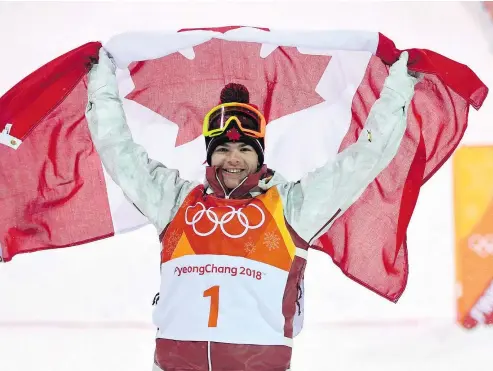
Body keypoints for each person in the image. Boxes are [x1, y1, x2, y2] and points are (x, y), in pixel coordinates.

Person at [85, 47, 417, 371]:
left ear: (259, 156)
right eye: (223, 149)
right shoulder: (175, 203)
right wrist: (101, 88)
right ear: (209, 155)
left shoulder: (292, 207)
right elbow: (119, 152)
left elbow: (363, 160)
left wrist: (395, 94)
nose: (233, 158)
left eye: (245, 149)